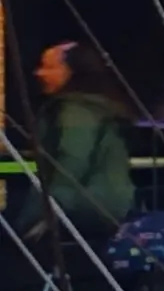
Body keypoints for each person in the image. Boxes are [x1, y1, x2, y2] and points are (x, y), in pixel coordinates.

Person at [26, 42, 140, 244]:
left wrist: (42, 215)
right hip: (109, 204)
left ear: (73, 73)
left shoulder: (76, 111)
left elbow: (72, 161)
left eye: (50, 67)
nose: (39, 73)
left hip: (85, 205)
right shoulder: (97, 107)